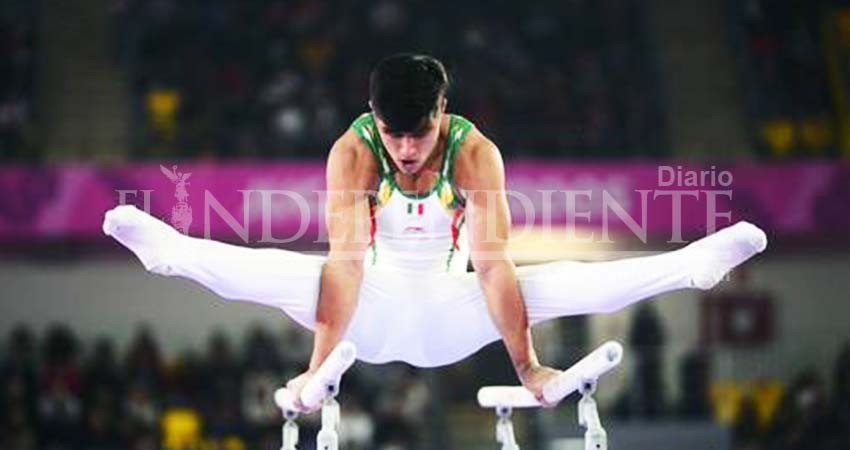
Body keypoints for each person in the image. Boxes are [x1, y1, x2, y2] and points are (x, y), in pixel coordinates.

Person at [102, 53, 768, 412]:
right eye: (392, 133)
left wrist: (528, 365)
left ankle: (690, 265)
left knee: (550, 282)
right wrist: (314, 374)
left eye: (418, 132)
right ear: (373, 119)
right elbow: (347, 267)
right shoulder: (353, 152)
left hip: (455, 315)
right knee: (295, 270)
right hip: (368, 312)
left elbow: (495, 267)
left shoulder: (476, 154)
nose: (406, 148)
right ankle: (174, 254)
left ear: (441, 113)